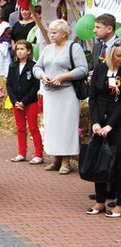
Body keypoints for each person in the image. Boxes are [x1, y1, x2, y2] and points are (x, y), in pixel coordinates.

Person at [33, 19, 88, 174]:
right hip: (50, 93)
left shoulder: (74, 47)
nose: (51, 35)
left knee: (66, 126)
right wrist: (42, 75)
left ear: (64, 34)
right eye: (50, 31)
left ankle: (66, 161)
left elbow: (83, 69)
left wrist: (63, 77)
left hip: (67, 92)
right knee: (52, 126)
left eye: (54, 32)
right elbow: (37, 66)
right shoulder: (48, 49)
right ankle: (56, 159)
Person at [87, 39, 121, 217]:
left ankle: (119, 203)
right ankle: (100, 201)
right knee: (99, 161)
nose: (120, 59)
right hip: (99, 120)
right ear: (110, 54)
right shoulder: (100, 70)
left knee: (118, 163)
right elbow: (92, 97)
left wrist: (110, 125)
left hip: (116, 123)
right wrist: (95, 122)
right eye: (118, 55)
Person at [6, 40, 43, 164]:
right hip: (16, 103)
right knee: (20, 128)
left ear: (28, 51)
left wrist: (24, 101)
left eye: (22, 49)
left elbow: (35, 86)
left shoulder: (33, 66)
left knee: (33, 127)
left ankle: (38, 154)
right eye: (18, 49)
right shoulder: (12, 66)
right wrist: (15, 100)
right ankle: (21, 152)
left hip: (30, 102)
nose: (19, 51)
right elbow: (9, 84)